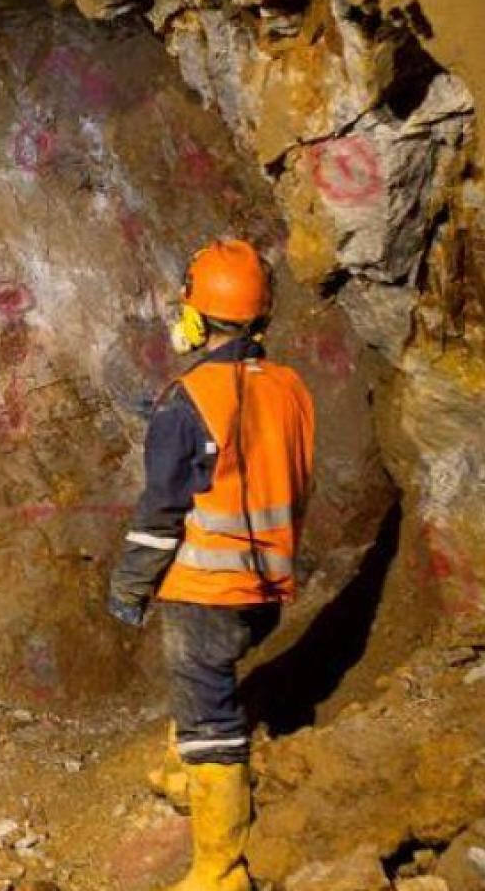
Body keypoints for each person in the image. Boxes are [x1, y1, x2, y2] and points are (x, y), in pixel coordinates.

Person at [109, 239, 315, 891]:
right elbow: (267, 465)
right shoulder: (289, 388)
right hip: (266, 587)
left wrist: (130, 585)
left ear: (197, 317)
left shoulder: (188, 399)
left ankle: (219, 870)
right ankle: (182, 775)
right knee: (210, 680)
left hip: (205, 591)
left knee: (210, 714)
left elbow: (161, 511)